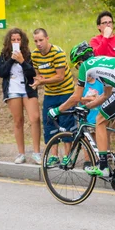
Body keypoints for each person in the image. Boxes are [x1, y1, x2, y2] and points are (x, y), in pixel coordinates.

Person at [47, 44, 115, 177]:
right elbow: (105, 96)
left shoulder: (86, 65)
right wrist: (86, 107)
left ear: (80, 61)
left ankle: (103, 166)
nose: (79, 69)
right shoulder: (104, 65)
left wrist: (57, 110)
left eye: (77, 66)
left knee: (100, 121)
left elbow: (76, 97)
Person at [30, 28, 76, 165]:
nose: (38, 44)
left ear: (47, 38)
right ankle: (54, 155)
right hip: (50, 94)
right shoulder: (35, 55)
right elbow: (38, 74)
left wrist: (42, 81)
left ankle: (67, 156)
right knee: (49, 122)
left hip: (65, 91)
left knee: (66, 122)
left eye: (41, 40)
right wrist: (38, 80)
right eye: (36, 41)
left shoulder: (58, 53)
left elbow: (60, 77)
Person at [0, 28, 41, 164]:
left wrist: (22, 61)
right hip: (13, 90)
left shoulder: (29, 55)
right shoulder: (4, 55)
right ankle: (21, 153)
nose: (16, 41)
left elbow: (32, 74)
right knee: (18, 121)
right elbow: (1, 72)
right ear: (9, 41)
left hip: (28, 90)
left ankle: (37, 152)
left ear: (23, 41)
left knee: (35, 118)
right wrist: (11, 59)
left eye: (18, 39)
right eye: (13, 40)